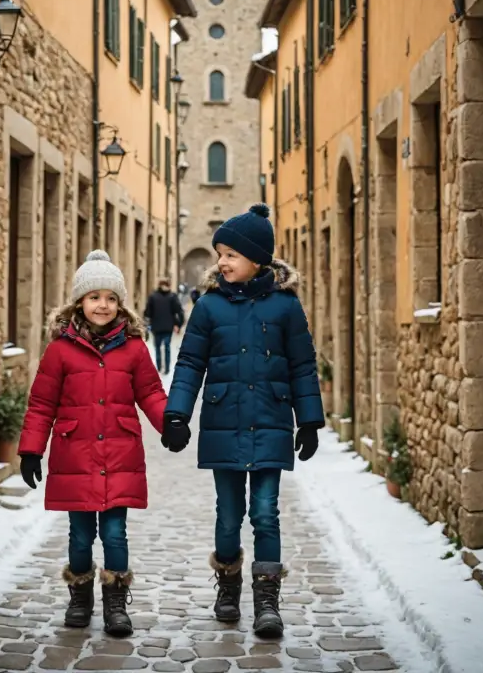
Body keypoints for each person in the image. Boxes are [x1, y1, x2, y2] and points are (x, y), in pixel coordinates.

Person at [161, 204, 323, 639]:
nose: (221, 262)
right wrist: (177, 414)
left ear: (257, 259)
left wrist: (308, 420)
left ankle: (267, 602)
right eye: (219, 254)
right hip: (224, 419)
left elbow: (302, 365)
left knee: (266, 513)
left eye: (230, 254)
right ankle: (228, 588)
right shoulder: (209, 307)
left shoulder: (287, 307)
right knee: (229, 515)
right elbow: (191, 362)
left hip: (270, 419)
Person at [17, 250, 167, 638]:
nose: (103, 305)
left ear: (121, 304)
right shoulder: (60, 350)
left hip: (119, 454)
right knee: (80, 535)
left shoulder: (133, 348)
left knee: (116, 533)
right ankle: (80, 597)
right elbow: (42, 402)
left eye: (111, 298)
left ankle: (116, 604)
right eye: (95, 297)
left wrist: (172, 424)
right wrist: (31, 448)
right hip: (75, 456)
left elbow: (150, 392)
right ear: (79, 302)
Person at [144, 277, 185, 374]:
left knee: (158, 347)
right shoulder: (172, 296)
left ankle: (159, 367)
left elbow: (147, 313)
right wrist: (178, 324)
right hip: (168, 327)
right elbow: (178, 311)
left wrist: (148, 322)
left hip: (156, 327)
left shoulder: (153, 297)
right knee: (166, 347)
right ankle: (166, 369)